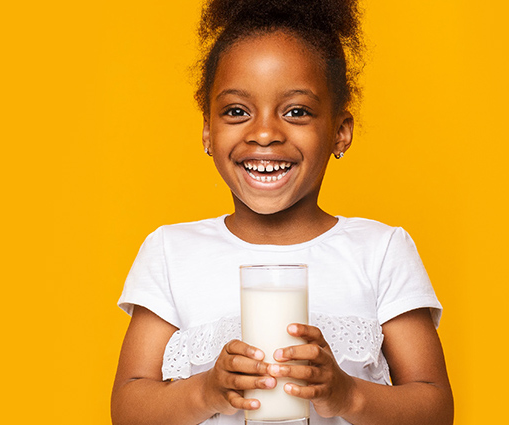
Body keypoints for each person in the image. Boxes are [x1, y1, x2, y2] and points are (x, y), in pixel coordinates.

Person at [111, 0, 453, 424]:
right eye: (237, 111)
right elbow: (128, 408)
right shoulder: (170, 253)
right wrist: (204, 391)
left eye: (297, 111)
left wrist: (348, 396)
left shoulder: (380, 251)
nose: (265, 133)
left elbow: (434, 408)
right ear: (207, 130)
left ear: (340, 132)